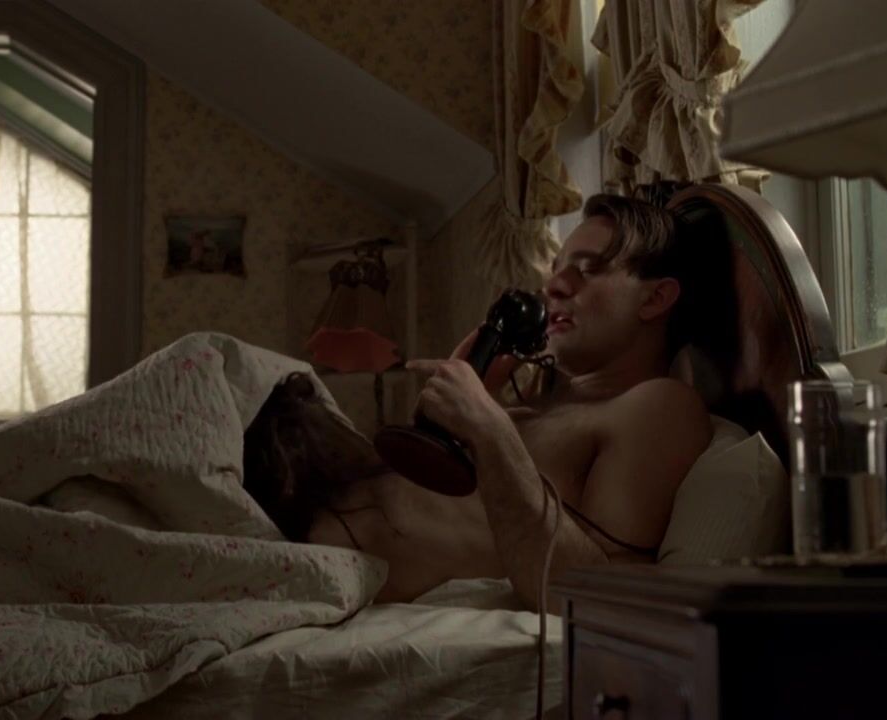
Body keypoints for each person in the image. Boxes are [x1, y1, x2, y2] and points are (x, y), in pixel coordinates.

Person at [242, 194, 712, 610]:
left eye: (587, 269)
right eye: (556, 269)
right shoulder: (537, 404)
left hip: (308, 549)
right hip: (293, 513)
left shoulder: (658, 405)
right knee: (262, 386)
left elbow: (601, 597)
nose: (554, 286)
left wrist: (489, 428)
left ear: (655, 298)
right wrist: (459, 412)